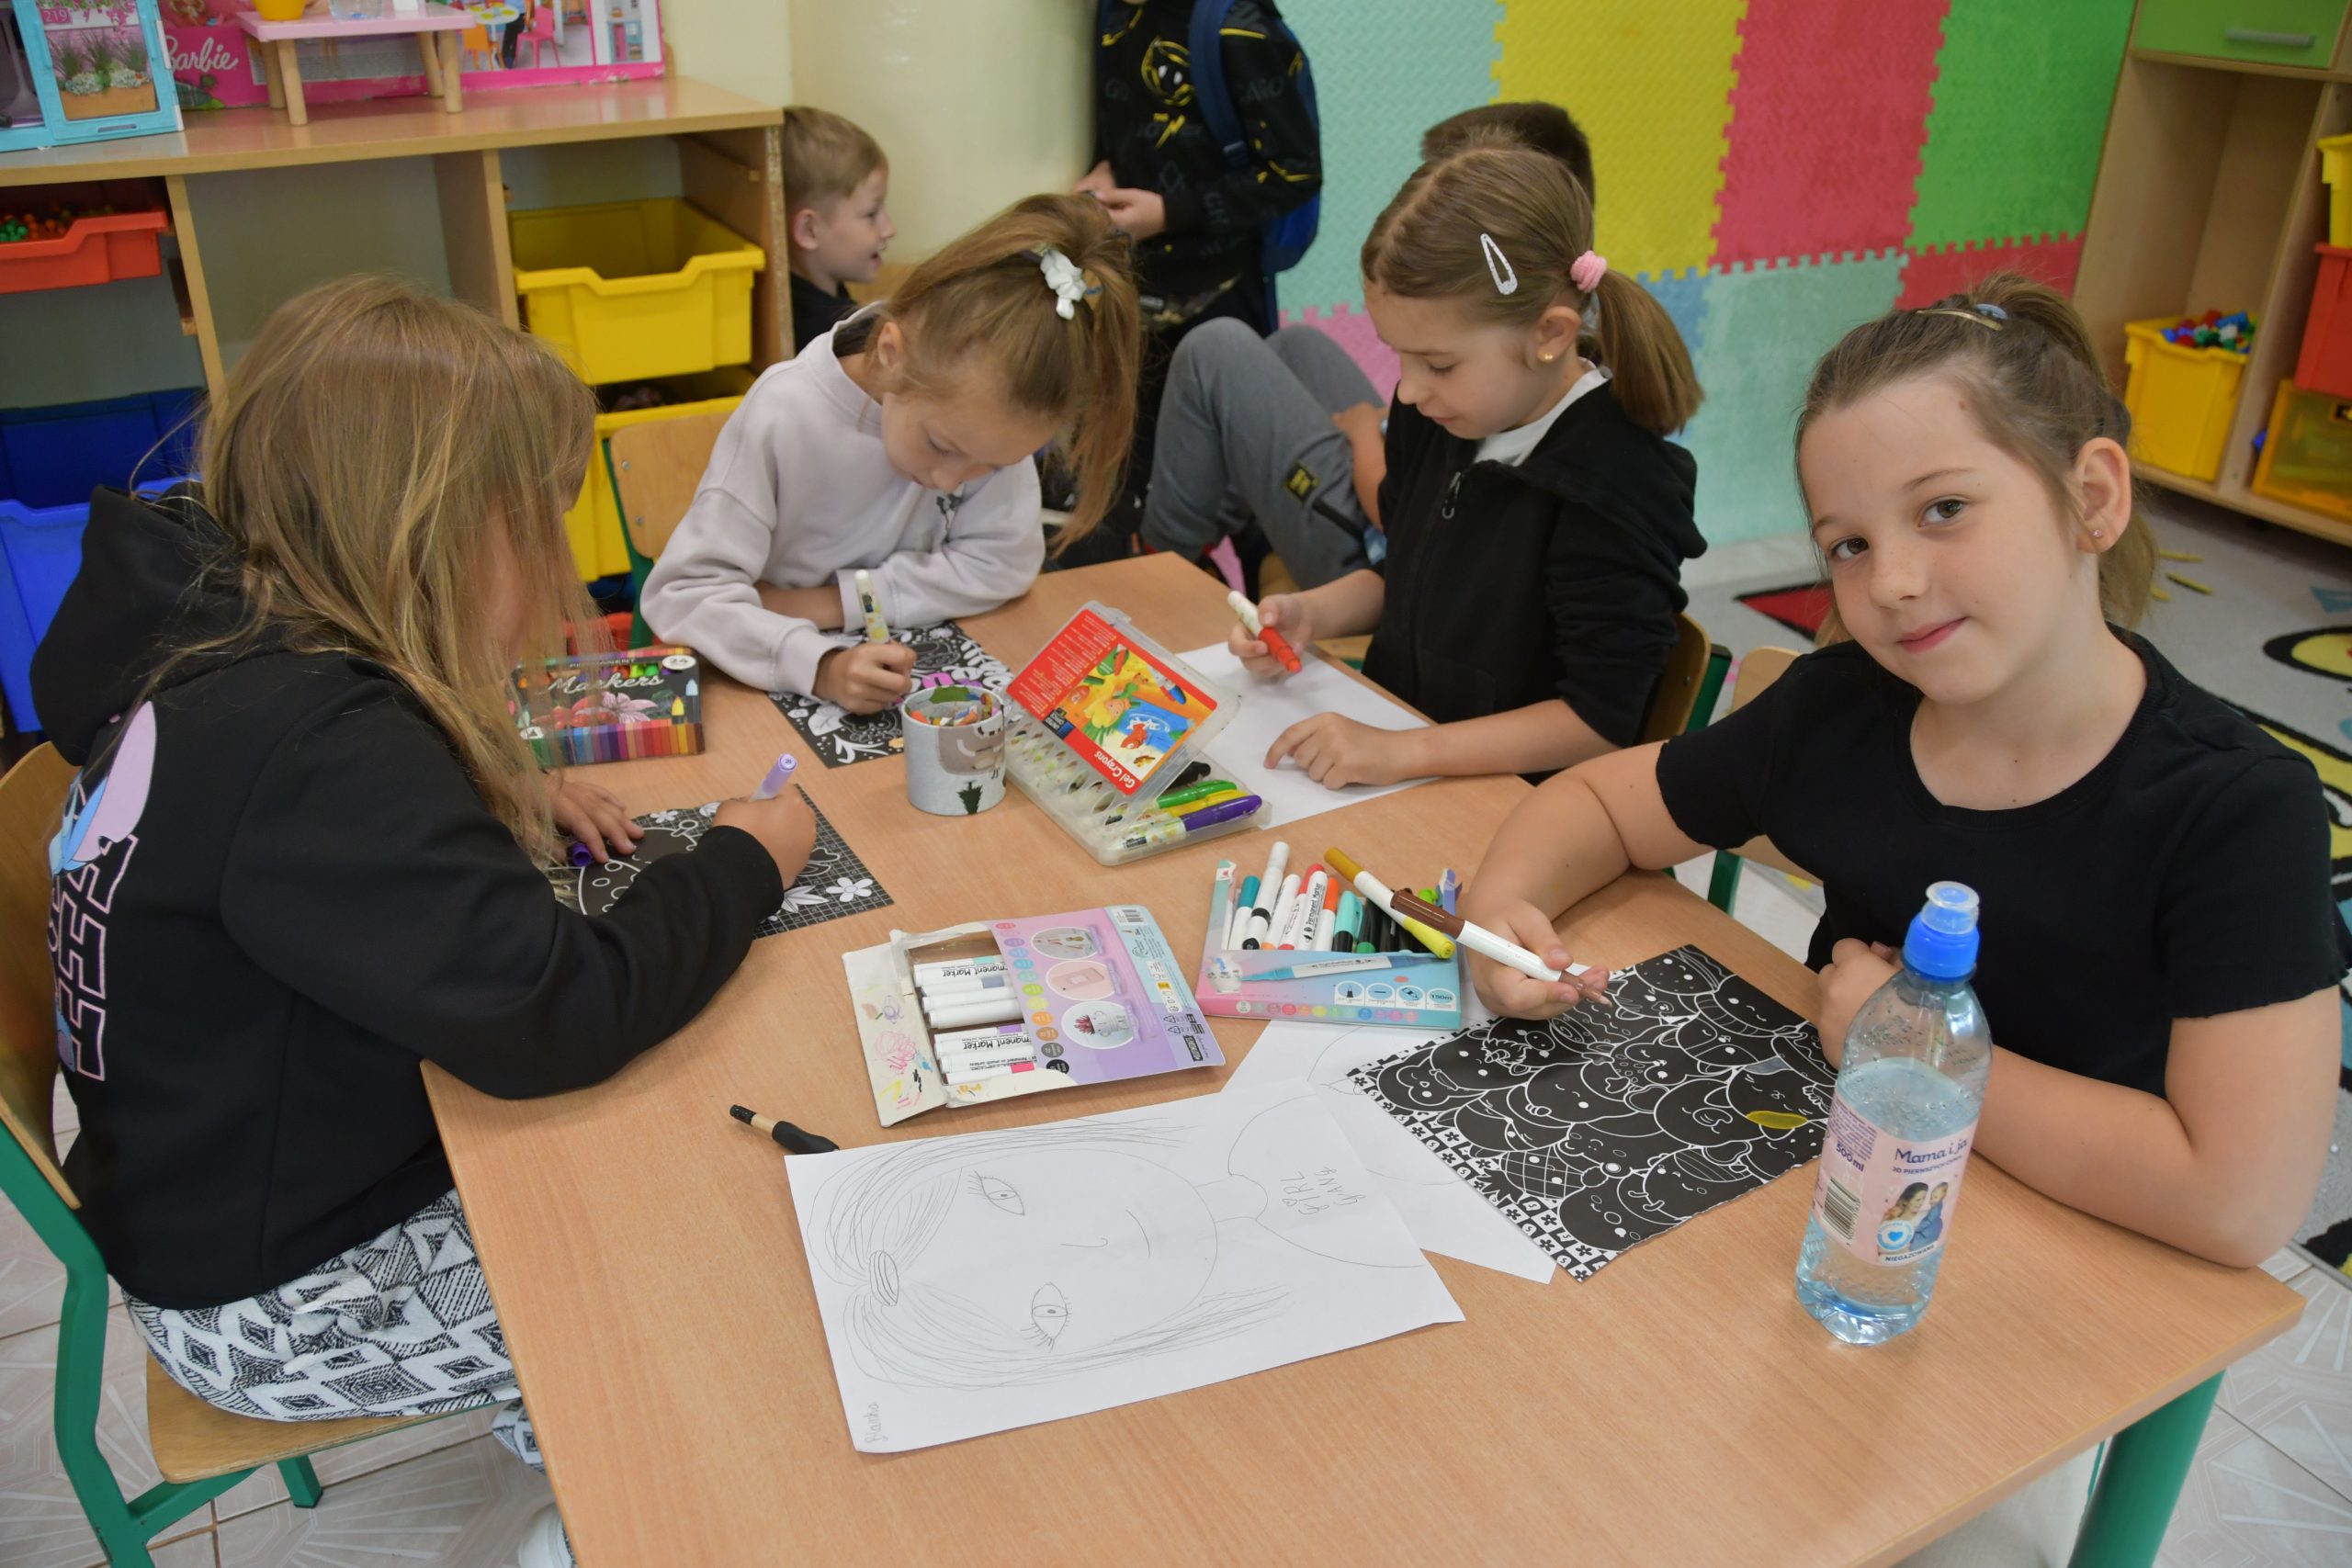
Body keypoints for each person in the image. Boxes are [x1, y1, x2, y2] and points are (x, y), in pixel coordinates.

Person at [32, 277, 820, 1568]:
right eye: (539, 515)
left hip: (211, 1183)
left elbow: (312, 848)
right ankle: (625, 1516)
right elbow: (558, 1014)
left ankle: (583, 1448)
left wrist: (486, 780)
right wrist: (745, 858)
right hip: (271, 1300)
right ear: (447, 530)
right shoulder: (313, 746)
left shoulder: (215, 617)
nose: (552, 552)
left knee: (653, 1159)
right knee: (703, 1256)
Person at [1463, 273, 2347, 1272]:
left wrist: (1904, 1058)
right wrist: (1500, 912)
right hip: (1826, 1208)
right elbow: (1600, 802)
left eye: (1944, 509)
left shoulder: (2241, 810)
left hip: (2072, 1265)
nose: (1889, 582)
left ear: (2092, 498)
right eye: (1848, 544)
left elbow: (2237, 1201)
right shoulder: (1840, 709)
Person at [1226, 138, 1705, 784]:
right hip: (1407, 753)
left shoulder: (1615, 486)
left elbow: (1598, 720)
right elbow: (1406, 576)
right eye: (1399, 355)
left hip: (1511, 801)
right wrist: (1312, 614)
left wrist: (1400, 753)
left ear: (1550, 335)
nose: (1409, 391)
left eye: (1439, 364)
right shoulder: (1442, 417)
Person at [641, 194, 1140, 715]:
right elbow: (684, 595)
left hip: (900, 669)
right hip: (769, 681)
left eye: (991, 467)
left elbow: (1005, 563)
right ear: (891, 354)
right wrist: (820, 664)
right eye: (941, 447)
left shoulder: (985, 426)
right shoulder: (785, 413)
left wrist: (833, 603)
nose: (951, 481)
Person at [1141, 100, 1598, 592]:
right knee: (1296, 344)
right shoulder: (1521, 359)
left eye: (1438, 365)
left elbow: (1397, 516)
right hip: (1386, 513)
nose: (1408, 390)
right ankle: (1236, 529)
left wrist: (1364, 434)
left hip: (1369, 547)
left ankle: (1159, 562)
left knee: (1214, 351)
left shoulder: (1559, 440)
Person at [1063, 0, 1322, 564]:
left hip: (1221, 291)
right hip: (1135, 294)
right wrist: (1106, 166)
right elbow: (1128, 124)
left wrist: (1171, 212)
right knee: (1136, 482)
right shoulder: (1113, 14)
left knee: (1249, 493)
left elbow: (1295, 172)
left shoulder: (1240, 31)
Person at [780, 106, 895, 353]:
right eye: (871, 214)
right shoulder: (843, 340)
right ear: (809, 230)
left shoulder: (787, 302)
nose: (889, 229)